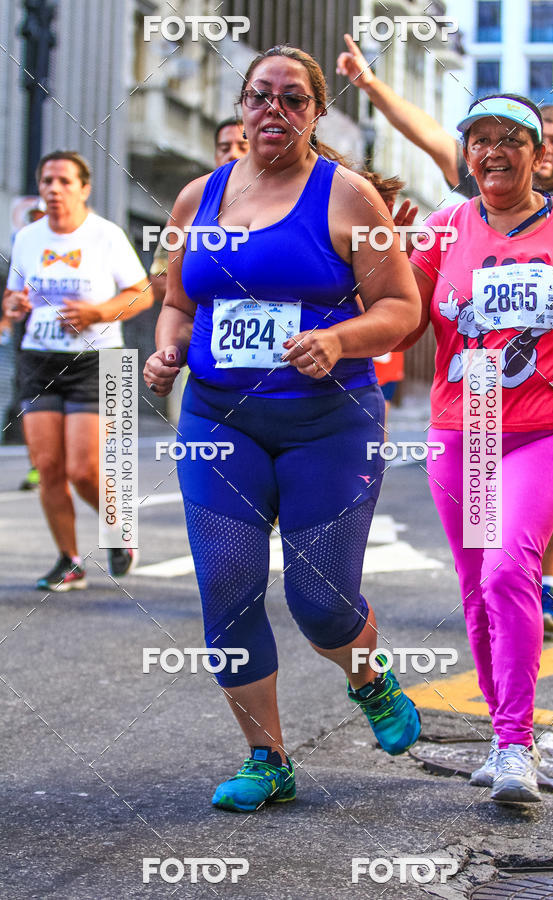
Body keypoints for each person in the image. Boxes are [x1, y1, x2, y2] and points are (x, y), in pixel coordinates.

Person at [144, 45, 422, 813]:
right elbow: (177, 298)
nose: (274, 111)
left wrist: (338, 338)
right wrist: (169, 347)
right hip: (217, 420)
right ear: (242, 107)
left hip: (327, 423)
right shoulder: (197, 198)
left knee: (320, 602)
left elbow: (403, 308)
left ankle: (368, 678)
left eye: (293, 100)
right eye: (261, 97)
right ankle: (267, 757)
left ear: (315, 112)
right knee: (227, 587)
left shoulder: (350, 197)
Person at [337, 33, 553, 635]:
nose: (499, 151)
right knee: (485, 571)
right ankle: (509, 657)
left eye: (543, 140)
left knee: (533, 513)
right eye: (483, 142)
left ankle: (547, 586)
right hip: (475, 410)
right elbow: (429, 133)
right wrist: (373, 85)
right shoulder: (460, 214)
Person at [396, 93, 553, 804]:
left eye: (509, 139)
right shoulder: (445, 225)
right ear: (468, 155)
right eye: (479, 140)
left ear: (539, 155)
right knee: (479, 588)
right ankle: (504, 733)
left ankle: (515, 747)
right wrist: (387, 264)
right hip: (469, 424)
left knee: (513, 560)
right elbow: (399, 327)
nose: (492, 152)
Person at [2, 150, 152, 590]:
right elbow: (14, 300)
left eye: (64, 181)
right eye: (46, 180)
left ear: (84, 189)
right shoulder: (27, 237)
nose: (53, 189)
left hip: (99, 360)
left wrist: (96, 312)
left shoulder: (105, 236)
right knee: (48, 466)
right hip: (39, 356)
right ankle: (69, 560)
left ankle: (119, 529)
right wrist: (12, 308)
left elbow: (141, 293)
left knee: (83, 469)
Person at [149, 118, 251, 306]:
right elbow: (159, 279)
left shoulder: (282, 204)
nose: (232, 154)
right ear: (215, 156)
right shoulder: (191, 207)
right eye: (224, 148)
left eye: (242, 147)